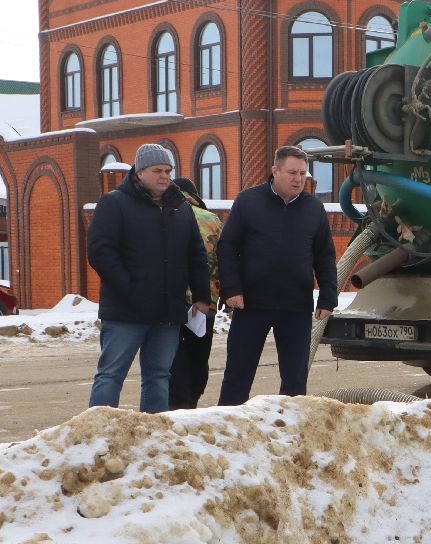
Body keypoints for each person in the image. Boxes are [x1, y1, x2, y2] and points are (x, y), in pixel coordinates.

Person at [86, 143, 213, 413]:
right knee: (111, 374)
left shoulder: (181, 208)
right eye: (158, 170)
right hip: (125, 311)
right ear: (140, 171)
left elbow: (196, 255)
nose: (165, 176)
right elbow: (100, 252)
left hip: (167, 312)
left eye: (168, 170)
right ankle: (100, 434)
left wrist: (201, 296)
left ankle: (152, 435)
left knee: (158, 376)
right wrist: (130, 289)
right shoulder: (115, 203)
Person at [216, 146, 338, 406]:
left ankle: (289, 432)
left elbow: (325, 256)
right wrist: (231, 289)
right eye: (292, 172)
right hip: (251, 304)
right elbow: (227, 247)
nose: (298, 179)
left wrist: (328, 296)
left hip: (296, 307)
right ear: (275, 171)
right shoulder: (248, 201)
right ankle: (228, 429)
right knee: (238, 374)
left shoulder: (313, 208)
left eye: (303, 173)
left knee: (295, 380)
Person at [168, 176, 222, 409]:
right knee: (199, 356)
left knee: (172, 356)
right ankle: (191, 402)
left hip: (170, 300)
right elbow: (225, 261)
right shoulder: (211, 220)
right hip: (204, 303)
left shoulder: (163, 214)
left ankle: (177, 405)